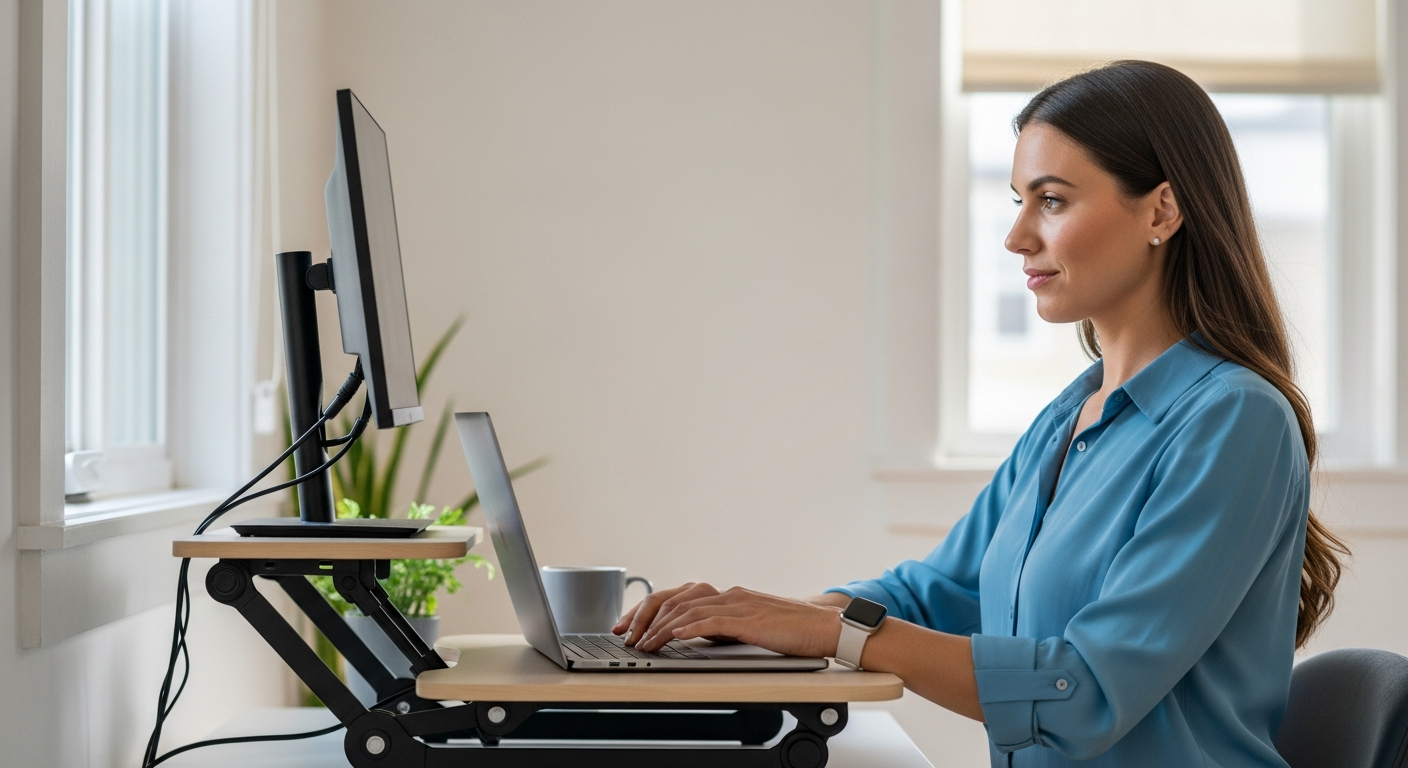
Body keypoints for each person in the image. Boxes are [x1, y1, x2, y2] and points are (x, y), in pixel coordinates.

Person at [612, 60, 1350, 767]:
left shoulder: (1234, 420)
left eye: (1052, 200)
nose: (1017, 236)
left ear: (1161, 209)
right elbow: (937, 593)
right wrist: (754, 623)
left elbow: (1084, 693)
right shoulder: (1072, 417)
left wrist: (829, 633)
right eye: (1019, 200)